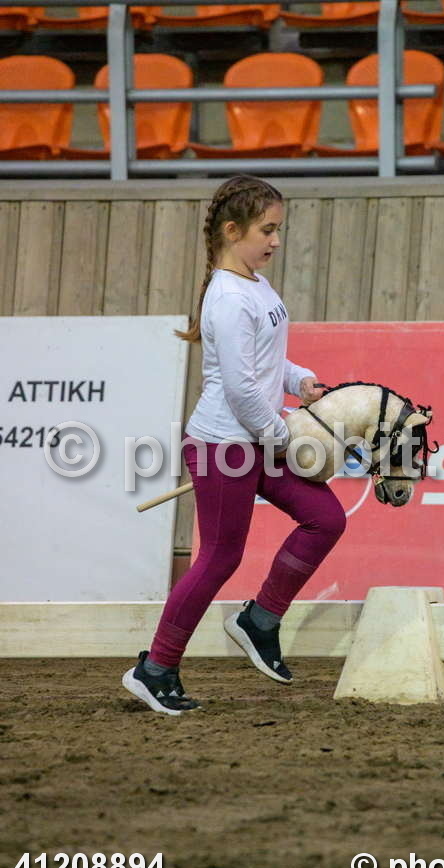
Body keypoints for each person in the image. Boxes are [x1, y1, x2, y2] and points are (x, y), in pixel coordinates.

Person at [122, 174, 347, 716]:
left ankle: (260, 619)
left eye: (278, 230)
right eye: (266, 230)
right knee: (220, 558)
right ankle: (155, 669)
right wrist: (281, 437)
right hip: (225, 444)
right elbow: (242, 389)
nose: (275, 240)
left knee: (325, 519)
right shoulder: (227, 297)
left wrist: (299, 382)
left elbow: (265, 362)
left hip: (256, 439)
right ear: (232, 231)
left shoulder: (256, 286)